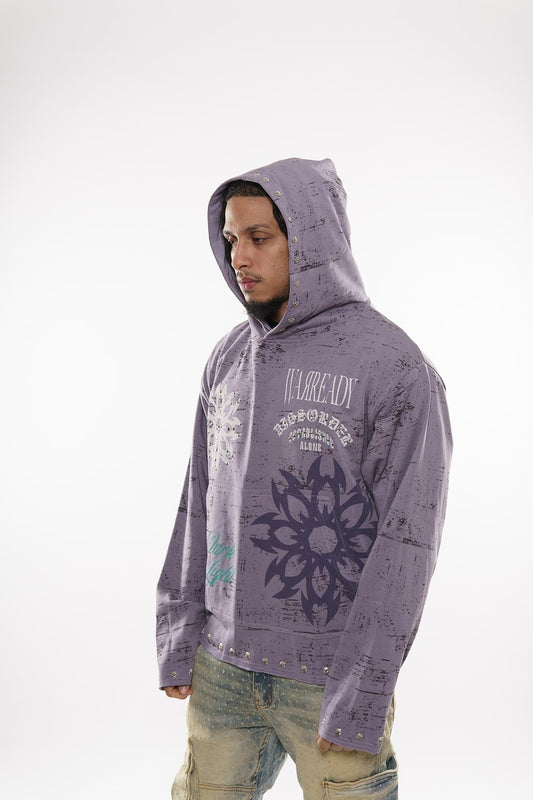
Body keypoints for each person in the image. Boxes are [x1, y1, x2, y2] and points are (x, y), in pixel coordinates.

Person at [156, 157, 452, 799]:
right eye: (231, 239)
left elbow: (408, 545)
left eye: (259, 237)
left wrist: (363, 688)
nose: (239, 257)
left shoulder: (395, 367)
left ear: (313, 239)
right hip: (222, 669)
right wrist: (181, 630)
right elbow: (198, 500)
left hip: (329, 678)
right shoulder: (228, 357)